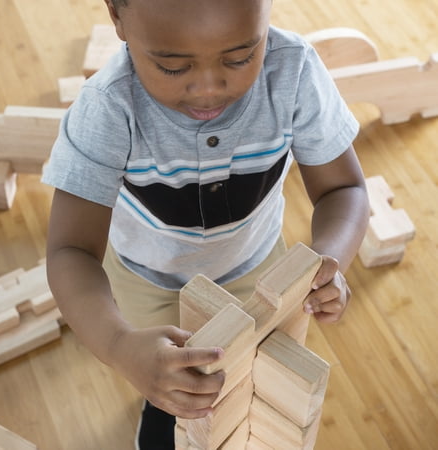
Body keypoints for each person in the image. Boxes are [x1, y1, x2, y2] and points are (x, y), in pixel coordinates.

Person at [42, 0, 370, 448]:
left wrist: (331, 257)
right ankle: (161, 409)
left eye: (239, 58)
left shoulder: (294, 72)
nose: (209, 89)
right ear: (117, 18)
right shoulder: (107, 108)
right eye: (173, 67)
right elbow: (70, 251)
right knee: (172, 378)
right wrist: (121, 347)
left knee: (245, 371)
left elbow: (343, 191)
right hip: (149, 283)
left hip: (259, 269)